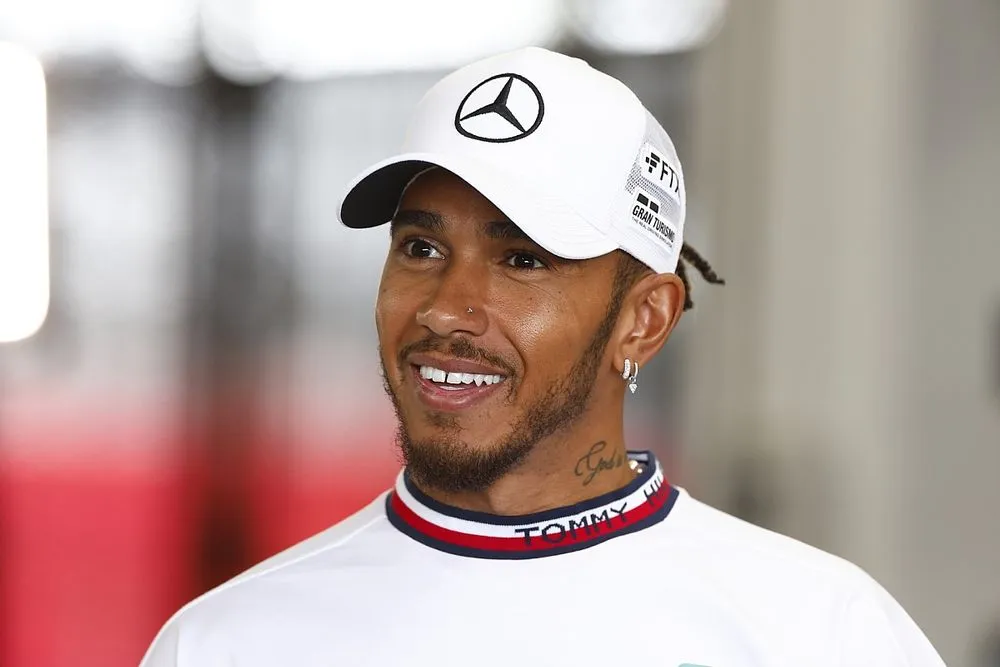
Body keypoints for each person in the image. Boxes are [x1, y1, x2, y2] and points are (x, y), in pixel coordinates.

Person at [139, 46, 946, 666]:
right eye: (421, 247)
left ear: (644, 320)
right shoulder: (229, 642)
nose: (445, 308)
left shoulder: (820, 632)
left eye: (522, 259)